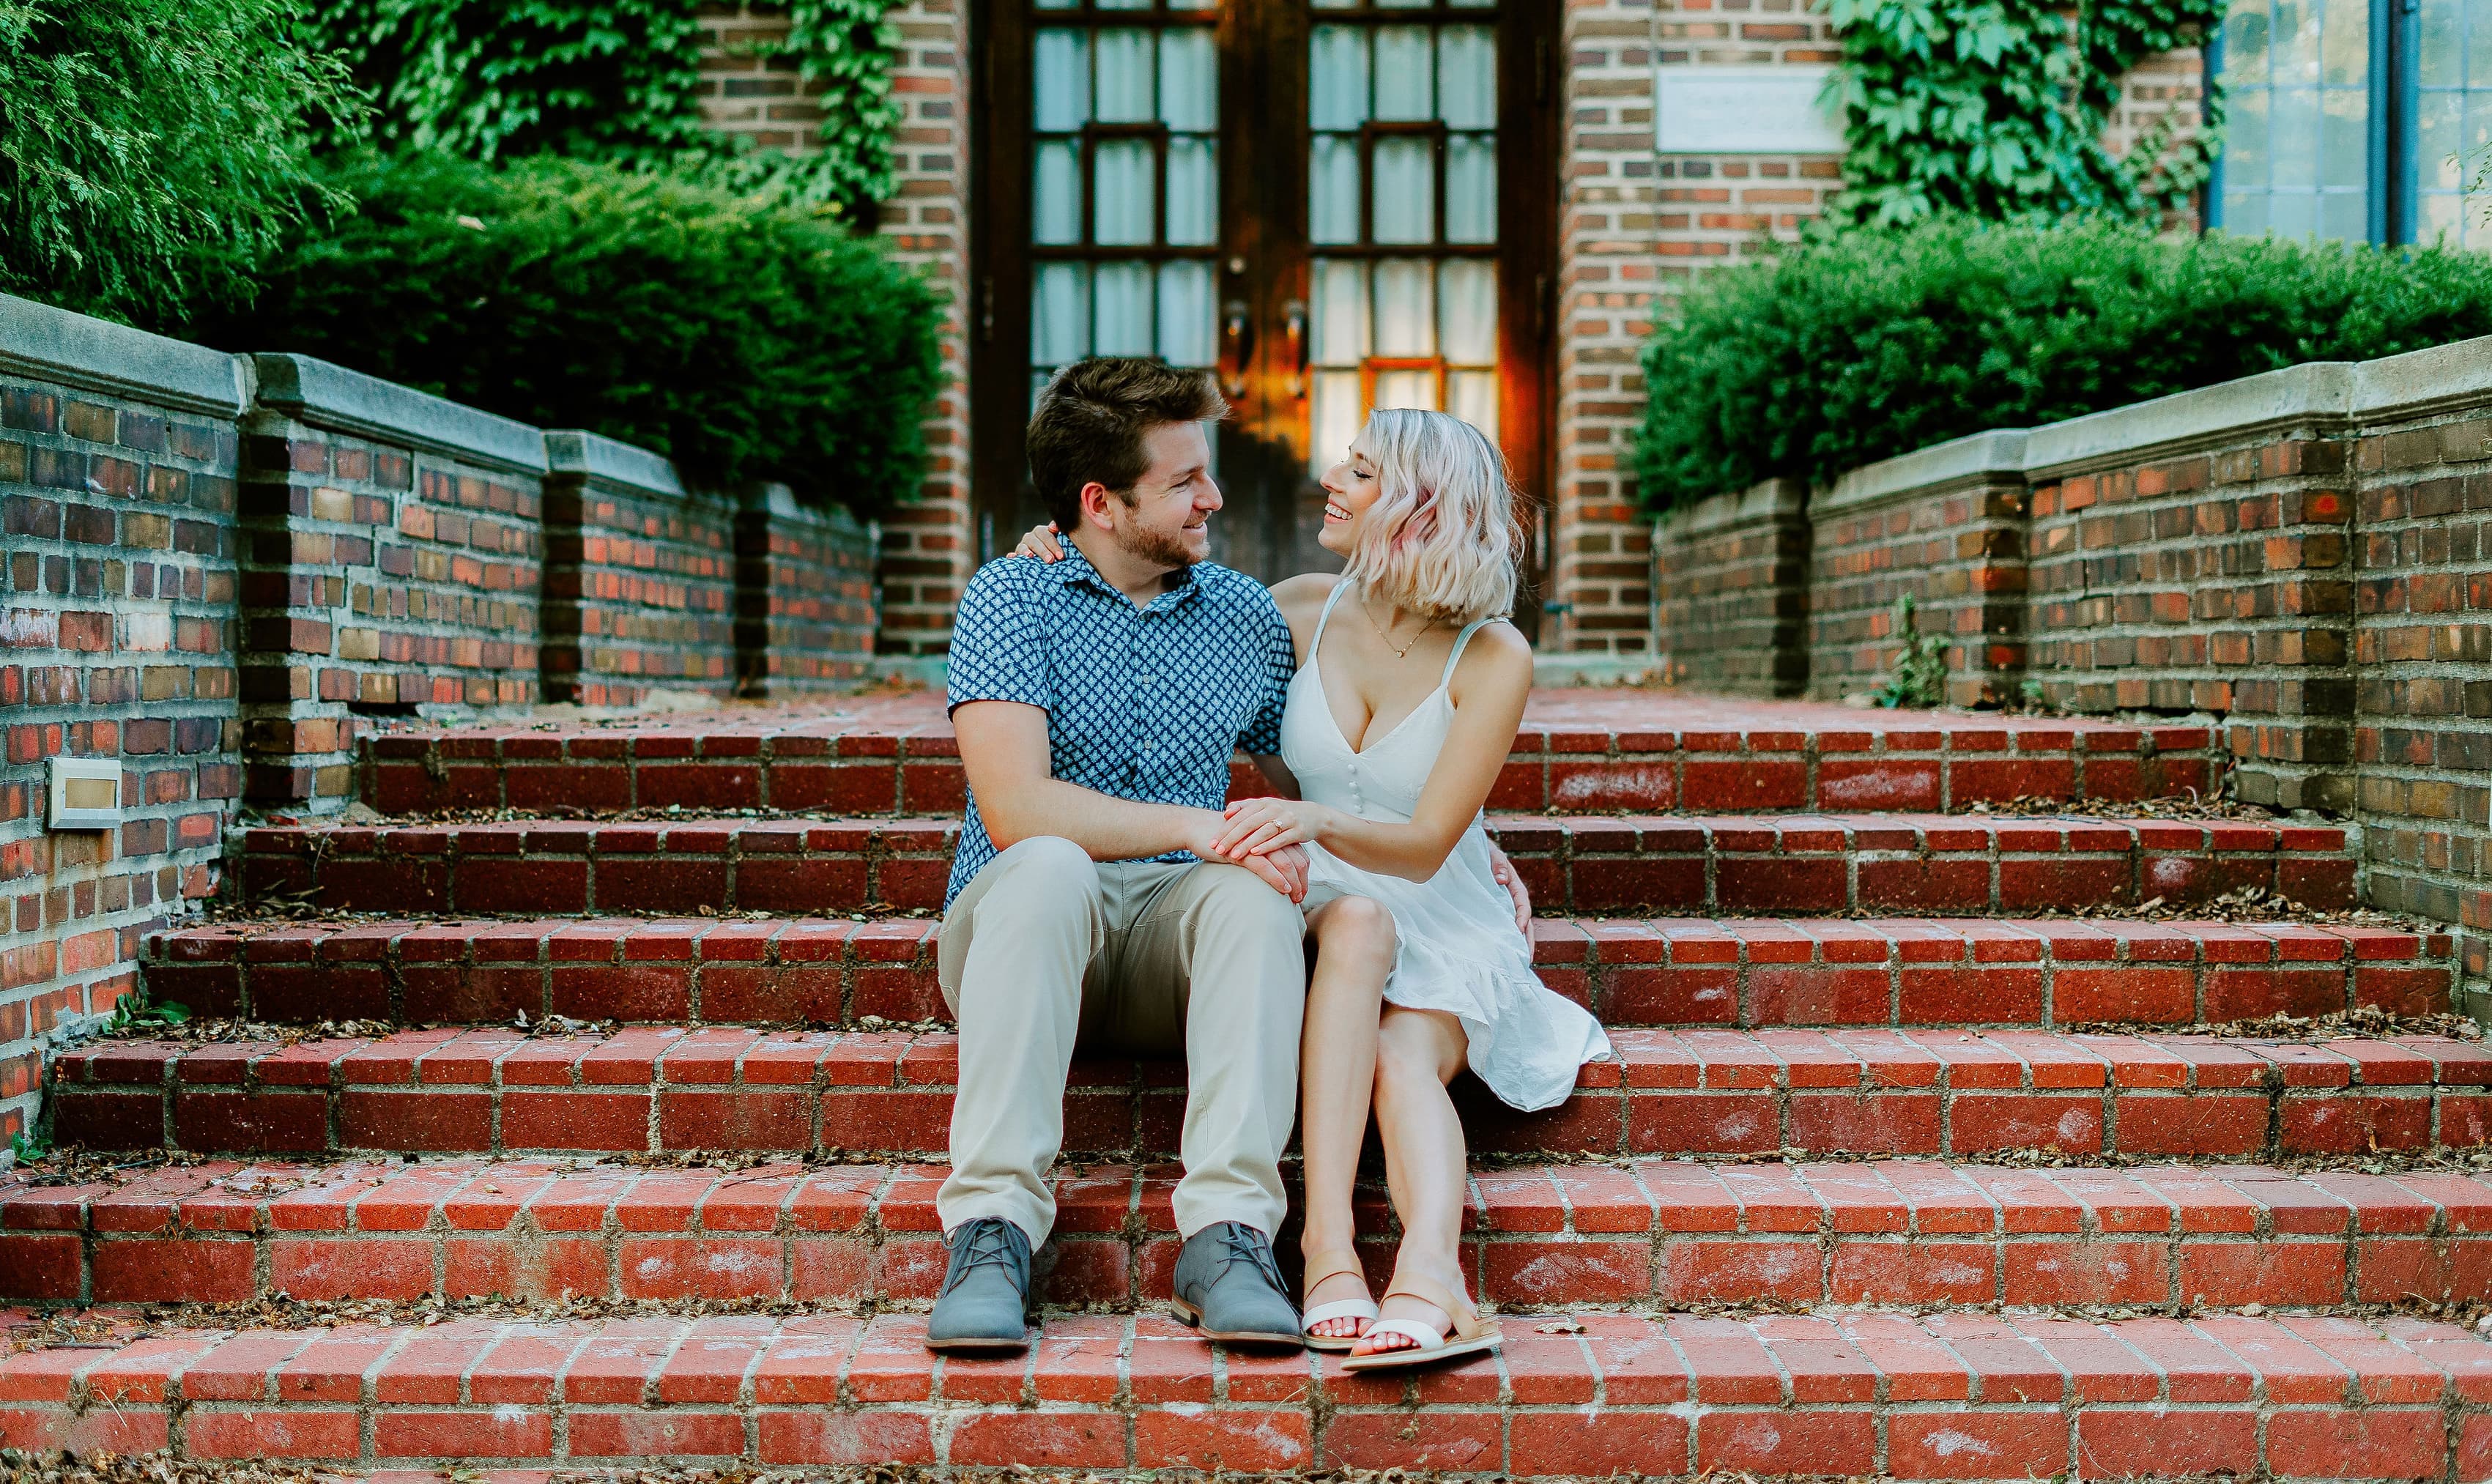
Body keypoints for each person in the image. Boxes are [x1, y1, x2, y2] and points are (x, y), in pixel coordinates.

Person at [1012, 407, 1612, 1370]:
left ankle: (1425, 1271)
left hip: (1438, 899)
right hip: (1325, 886)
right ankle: (1326, 1252)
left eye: (1362, 471)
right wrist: (1062, 545)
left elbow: (1420, 845)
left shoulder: (1495, 655)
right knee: (1356, 925)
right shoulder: (1294, 608)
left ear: (1418, 508)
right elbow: (1141, 583)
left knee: (1398, 1052)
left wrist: (1339, 823)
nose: (1333, 477)